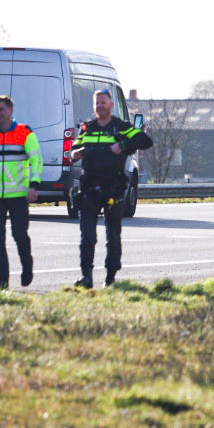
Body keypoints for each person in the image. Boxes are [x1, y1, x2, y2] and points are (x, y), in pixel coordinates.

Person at [72, 89, 153, 288]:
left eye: (103, 102)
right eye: (97, 103)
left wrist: (123, 145)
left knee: (113, 235)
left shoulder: (121, 127)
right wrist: (77, 152)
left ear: (111, 105)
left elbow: (145, 141)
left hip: (113, 188)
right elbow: (73, 151)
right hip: (90, 187)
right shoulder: (87, 128)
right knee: (87, 235)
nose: (100, 106)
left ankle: (110, 278)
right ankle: (87, 277)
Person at [0, 94, 42, 290]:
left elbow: (37, 160)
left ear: (11, 111)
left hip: (19, 195)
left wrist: (34, 185)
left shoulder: (25, 133)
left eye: (2, 109)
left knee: (19, 235)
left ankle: (27, 266)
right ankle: (2, 280)